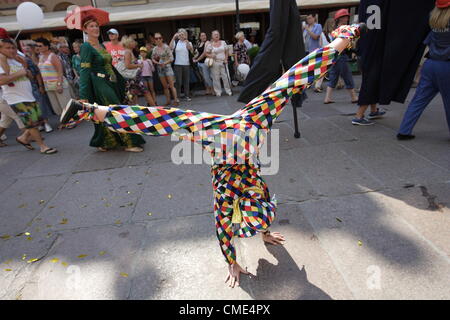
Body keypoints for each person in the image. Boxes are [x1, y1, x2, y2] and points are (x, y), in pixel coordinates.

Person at [60, 24, 364, 288]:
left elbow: (300, 73)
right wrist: (232, 262)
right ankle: (89, 111)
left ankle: (90, 112)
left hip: (242, 159)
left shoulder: (252, 121)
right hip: (229, 166)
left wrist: (344, 38)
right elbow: (154, 118)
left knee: (169, 122)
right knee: (167, 122)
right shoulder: (233, 133)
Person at [356, 0, 435, 126]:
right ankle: (359, 115)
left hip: (367, 40)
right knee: (371, 79)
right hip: (377, 42)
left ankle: (374, 110)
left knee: (370, 77)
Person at [78, 15, 145, 152]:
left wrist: (120, 81)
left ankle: (104, 142)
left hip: (111, 82)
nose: (95, 28)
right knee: (115, 111)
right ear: (85, 30)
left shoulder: (101, 45)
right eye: (91, 26)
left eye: (96, 26)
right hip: (99, 83)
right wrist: (83, 94)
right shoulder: (86, 47)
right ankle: (129, 143)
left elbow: (110, 66)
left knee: (104, 112)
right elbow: (84, 71)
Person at [397, 0, 450, 140]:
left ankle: (404, 130)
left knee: (418, 100)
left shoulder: (434, 21)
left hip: (430, 64)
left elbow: (427, 42)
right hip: (446, 66)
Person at [0, 39, 57, 154]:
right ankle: (43, 146)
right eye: (7, 48)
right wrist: (19, 73)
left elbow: (26, 71)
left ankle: (23, 138)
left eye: (13, 48)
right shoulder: (2, 61)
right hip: (16, 98)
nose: (11, 50)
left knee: (37, 120)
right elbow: (2, 80)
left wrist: (25, 69)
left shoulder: (15, 60)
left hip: (28, 95)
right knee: (31, 123)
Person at [323, 9, 359, 106]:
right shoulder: (343, 29)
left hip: (334, 55)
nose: (347, 18)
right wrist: (353, 50)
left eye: (347, 17)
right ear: (340, 19)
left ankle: (327, 98)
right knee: (347, 76)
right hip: (341, 56)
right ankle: (354, 97)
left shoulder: (336, 29)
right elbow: (345, 44)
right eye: (345, 17)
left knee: (333, 76)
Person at [35, 37, 71, 116]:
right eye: (36, 46)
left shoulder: (52, 56)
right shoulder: (40, 57)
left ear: (46, 46)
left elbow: (60, 70)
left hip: (58, 83)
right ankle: (64, 120)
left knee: (64, 104)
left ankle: (70, 120)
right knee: (56, 106)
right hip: (48, 85)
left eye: (40, 46)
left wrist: (59, 84)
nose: (37, 47)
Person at [121, 36, 156, 106]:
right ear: (129, 43)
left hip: (134, 78)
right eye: (133, 41)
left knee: (131, 95)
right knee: (145, 92)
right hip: (134, 78)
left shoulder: (129, 51)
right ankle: (155, 108)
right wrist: (138, 66)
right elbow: (127, 65)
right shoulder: (128, 52)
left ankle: (129, 109)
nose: (135, 43)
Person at [151, 32, 178, 106]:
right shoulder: (155, 49)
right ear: (154, 40)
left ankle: (176, 100)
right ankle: (168, 100)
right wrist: (157, 63)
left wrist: (165, 63)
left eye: (160, 38)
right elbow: (152, 58)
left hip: (167, 67)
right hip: (160, 68)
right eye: (156, 38)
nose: (158, 40)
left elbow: (172, 58)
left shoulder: (166, 47)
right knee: (165, 86)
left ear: (162, 39)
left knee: (172, 85)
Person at [206, 30, 232, 97]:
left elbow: (227, 51)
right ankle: (218, 92)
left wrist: (226, 59)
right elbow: (206, 53)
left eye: (217, 34)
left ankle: (228, 91)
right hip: (215, 62)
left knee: (226, 77)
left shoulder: (223, 42)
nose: (217, 35)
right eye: (215, 34)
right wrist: (211, 56)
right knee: (216, 78)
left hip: (223, 62)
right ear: (212, 36)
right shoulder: (210, 44)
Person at [170, 28, 194, 101]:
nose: (181, 35)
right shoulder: (176, 42)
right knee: (178, 81)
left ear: (185, 35)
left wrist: (186, 41)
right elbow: (170, 47)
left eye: (182, 34)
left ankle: (187, 95)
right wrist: (173, 38)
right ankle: (177, 96)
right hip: (177, 64)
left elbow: (191, 50)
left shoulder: (188, 42)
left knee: (186, 81)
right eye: (179, 34)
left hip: (186, 64)